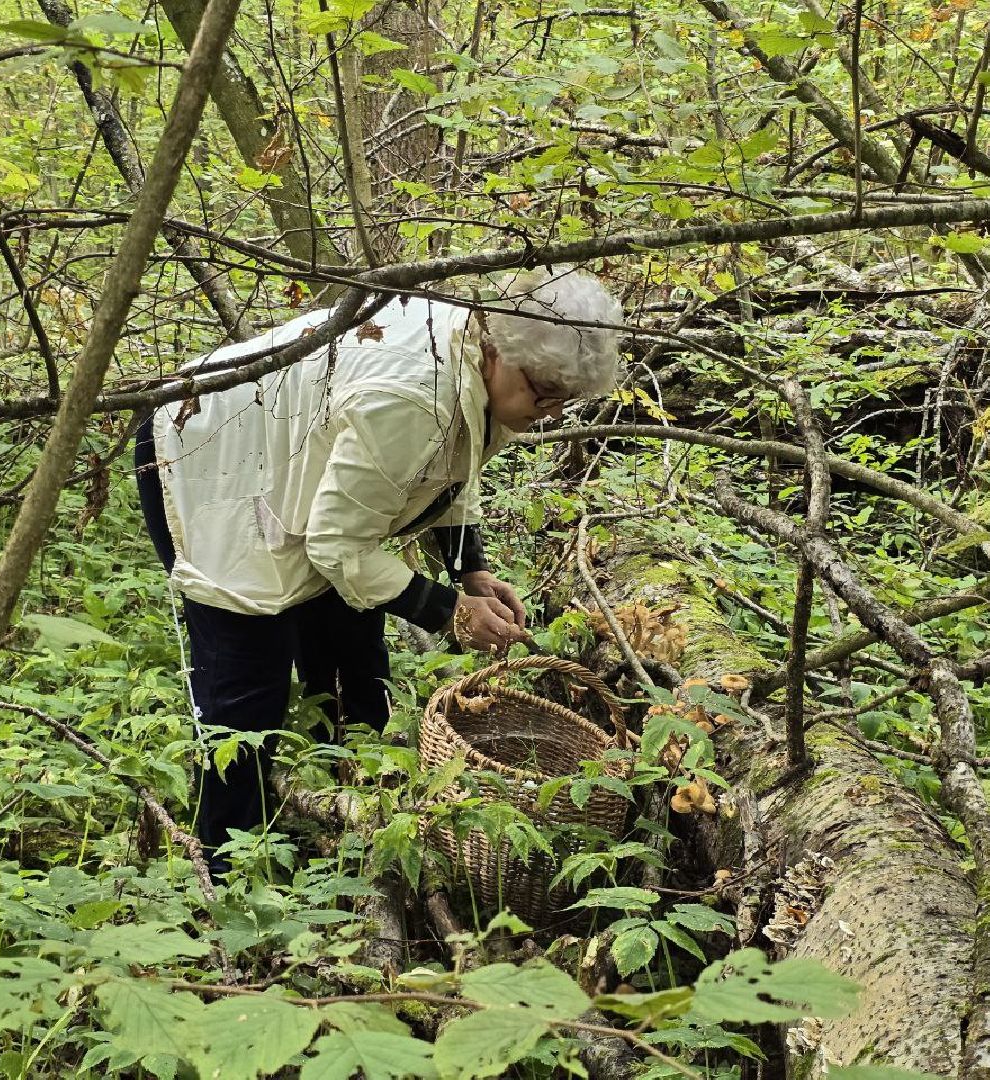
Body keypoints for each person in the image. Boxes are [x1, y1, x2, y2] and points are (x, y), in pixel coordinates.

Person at [134, 265, 623, 875]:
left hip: (313, 480)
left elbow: (453, 461)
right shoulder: (413, 396)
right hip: (211, 452)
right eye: (541, 390)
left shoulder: (486, 364)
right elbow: (337, 547)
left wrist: (470, 568)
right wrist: (448, 612)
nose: (547, 409)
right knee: (246, 685)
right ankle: (229, 869)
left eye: (564, 400)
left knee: (354, 666)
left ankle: (341, 823)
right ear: (497, 348)